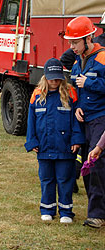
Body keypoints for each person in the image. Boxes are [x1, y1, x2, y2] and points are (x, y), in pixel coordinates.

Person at [25, 58, 84, 224]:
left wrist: (76, 140)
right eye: (52, 78)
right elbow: (31, 121)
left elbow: (76, 121)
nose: (54, 82)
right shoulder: (36, 95)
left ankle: (66, 211)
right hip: (43, 147)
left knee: (65, 179)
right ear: (45, 77)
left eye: (58, 78)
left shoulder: (70, 93)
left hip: (65, 148)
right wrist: (32, 142)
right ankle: (47, 209)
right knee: (46, 179)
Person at [64, 16, 105, 228]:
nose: (71, 47)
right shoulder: (78, 60)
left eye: (75, 42)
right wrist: (79, 106)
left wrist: (90, 82)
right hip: (85, 117)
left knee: (97, 164)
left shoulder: (103, 57)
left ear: (88, 38)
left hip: (101, 118)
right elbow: (78, 90)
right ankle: (94, 209)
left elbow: (94, 85)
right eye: (70, 43)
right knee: (86, 165)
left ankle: (98, 214)